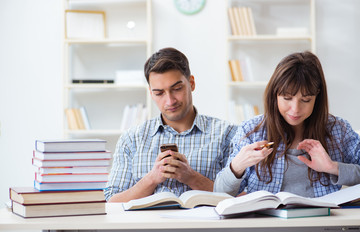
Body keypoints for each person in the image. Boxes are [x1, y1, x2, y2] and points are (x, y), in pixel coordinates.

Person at [214, 51, 360, 198]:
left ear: (317, 97)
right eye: (287, 98)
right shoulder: (251, 131)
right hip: (265, 220)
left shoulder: (338, 130)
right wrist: (237, 166)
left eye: (306, 100)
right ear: (274, 95)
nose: (295, 109)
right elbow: (219, 193)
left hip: (322, 220)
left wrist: (332, 167)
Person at [105, 47, 238, 202]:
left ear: (192, 83)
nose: (170, 101)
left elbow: (244, 197)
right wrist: (152, 179)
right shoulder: (131, 139)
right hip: (148, 226)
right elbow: (112, 201)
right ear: (151, 93)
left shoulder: (228, 134)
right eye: (159, 93)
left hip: (204, 226)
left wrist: (191, 177)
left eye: (176, 89)